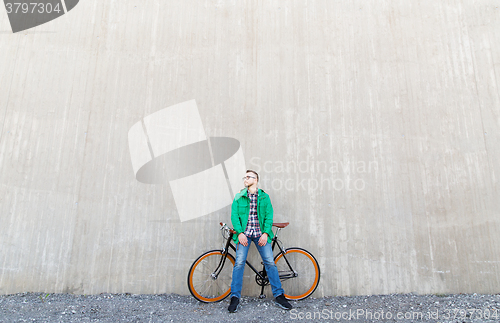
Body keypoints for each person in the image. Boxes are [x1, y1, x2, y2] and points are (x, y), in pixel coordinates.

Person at [228, 169, 292, 313]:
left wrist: (265, 233)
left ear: (255, 180)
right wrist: (239, 233)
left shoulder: (264, 197)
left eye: (248, 177)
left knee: (270, 262)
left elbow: (269, 216)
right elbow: (234, 215)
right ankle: (235, 297)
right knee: (239, 263)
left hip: (260, 235)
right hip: (244, 235)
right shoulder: (239, 197)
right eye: (244, 177)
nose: (245, 179)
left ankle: (279, 295)